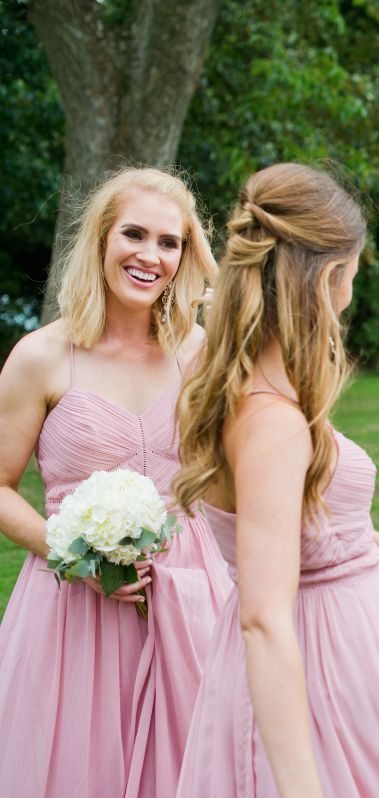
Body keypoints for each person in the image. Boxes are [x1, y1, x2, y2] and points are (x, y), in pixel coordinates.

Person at [172, 163, 379, 797]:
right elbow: (263, 621)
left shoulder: (253, 379)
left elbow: (280, 511)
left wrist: (370, 545)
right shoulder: (272, 420)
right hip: (321, 665)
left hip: (348, 645)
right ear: (331, 274)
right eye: (353, 271)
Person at [0, 168, 232, 796]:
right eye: (134, 234)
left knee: (197, 766)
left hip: (191, 592)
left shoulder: (199, 351)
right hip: (74, 605)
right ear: (101, 239)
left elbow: (241, 471)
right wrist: (71, 555)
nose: (150, 256)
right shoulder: (42, 356)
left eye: (170, 242)